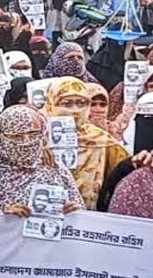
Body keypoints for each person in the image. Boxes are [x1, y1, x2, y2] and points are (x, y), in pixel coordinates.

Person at [45, 77, 129, 209]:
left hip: (89, 215)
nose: (75, 110)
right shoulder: (39, 138)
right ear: (51, 105)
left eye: (81, 103)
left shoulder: (101, 140)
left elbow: (121, 173)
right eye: (67, 104)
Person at [0, 105, 84, 213]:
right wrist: (4, 217)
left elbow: (80, 213)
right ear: (0, 138)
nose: (27, 142)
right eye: (17, 136)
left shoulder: (55, 169)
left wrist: (70, 212)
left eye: (33, 134)